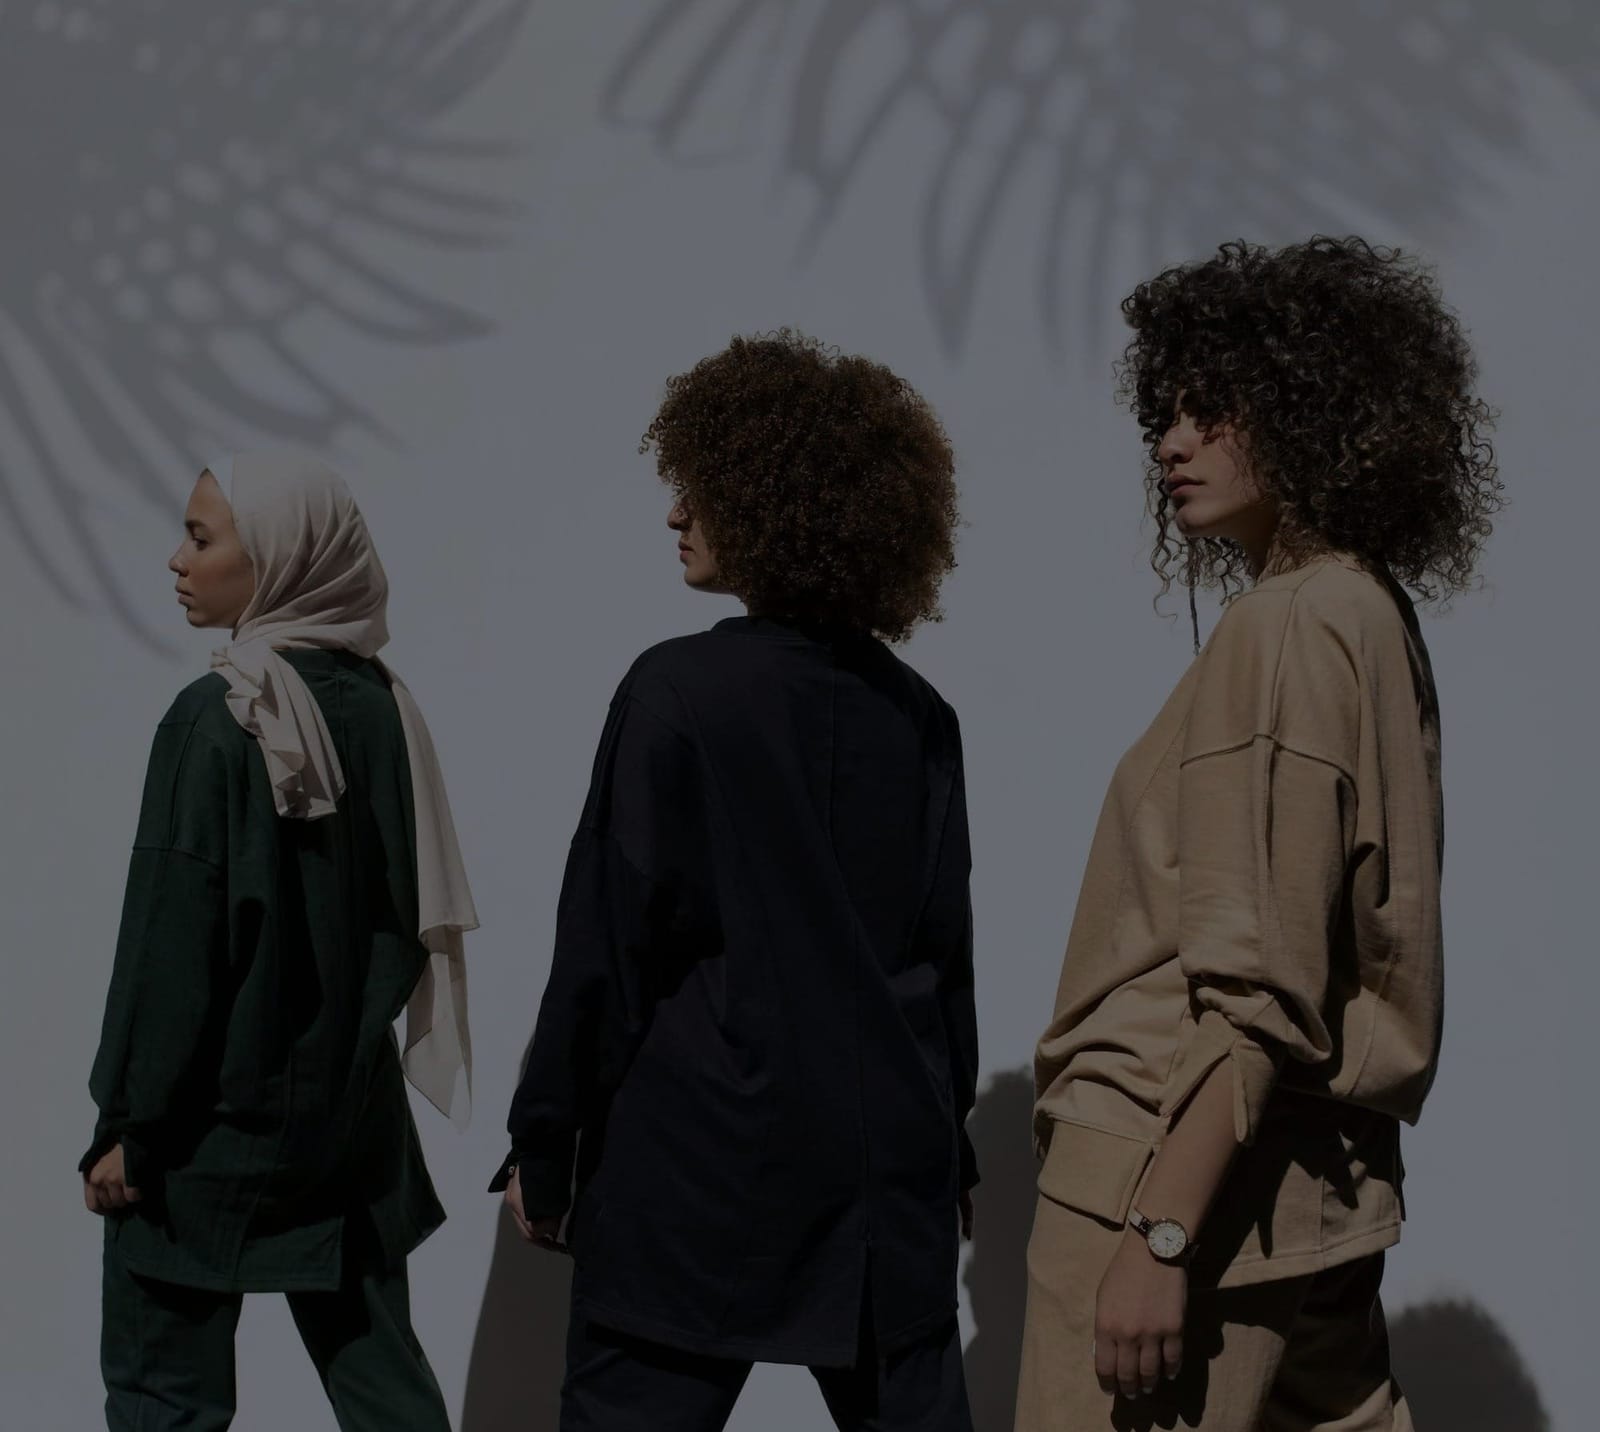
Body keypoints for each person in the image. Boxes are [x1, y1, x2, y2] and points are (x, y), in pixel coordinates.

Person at [1016, 236, 1502, 1431]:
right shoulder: (1365, 612)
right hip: (1313, 1188)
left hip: (1175, 1179)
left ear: (1311, 413)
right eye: (1163, 415)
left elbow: (1254, 985)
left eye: (1211, 411)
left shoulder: (1283, 627)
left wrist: (1159, 1235)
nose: (1170, 443)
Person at [492, 329, 979, 1432]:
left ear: (773, 504)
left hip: (698, 1172)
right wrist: (946, 1151)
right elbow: (940, 957)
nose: (677, 513)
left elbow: (608, 943)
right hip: (878, 1182)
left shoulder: (677, 691)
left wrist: (546, 1139)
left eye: (704, 488)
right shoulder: (921, 717)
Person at [81, 451, 477, 1431]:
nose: (178, 560)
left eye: (202, 538)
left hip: (209, 1132)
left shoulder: (214, 718)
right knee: (387, 1394)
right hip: (349, 1123)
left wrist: (129, 1125)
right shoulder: (383, 707)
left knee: (166, 1398)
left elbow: (172, 947)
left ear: (281, 556)